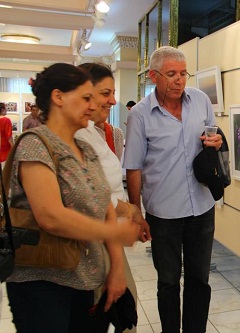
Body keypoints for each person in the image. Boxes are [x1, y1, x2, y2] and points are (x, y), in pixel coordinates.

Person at [6, 63, 140, 333]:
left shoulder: (85, 149)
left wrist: (116, 269)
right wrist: (112, 231)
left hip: (84, 278)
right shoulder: (35, 144)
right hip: (41, 283)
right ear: (58, 98)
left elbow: (105, 208)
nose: (93, 106)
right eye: (86, 98)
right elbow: (50, 216)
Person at [123, 46, 222, 333]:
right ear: (154, 76)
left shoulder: (201, 101)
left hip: (201, 208)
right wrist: (136, 213)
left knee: (199, 281)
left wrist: (215, 142)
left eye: (182, 74)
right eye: (171, 74)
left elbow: (213, 139)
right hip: (163, 213)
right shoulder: (140, 115)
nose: (179, 80)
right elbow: (133, 167)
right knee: (167, 282)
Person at [75, 62, 144, 333]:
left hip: (107, 237)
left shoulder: (97, 132)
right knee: (116, 311)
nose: (113, 100)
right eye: (106, 93)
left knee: (124, 308)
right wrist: (130, 211)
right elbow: (92, 197)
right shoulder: (79, 135)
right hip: (92, 241)